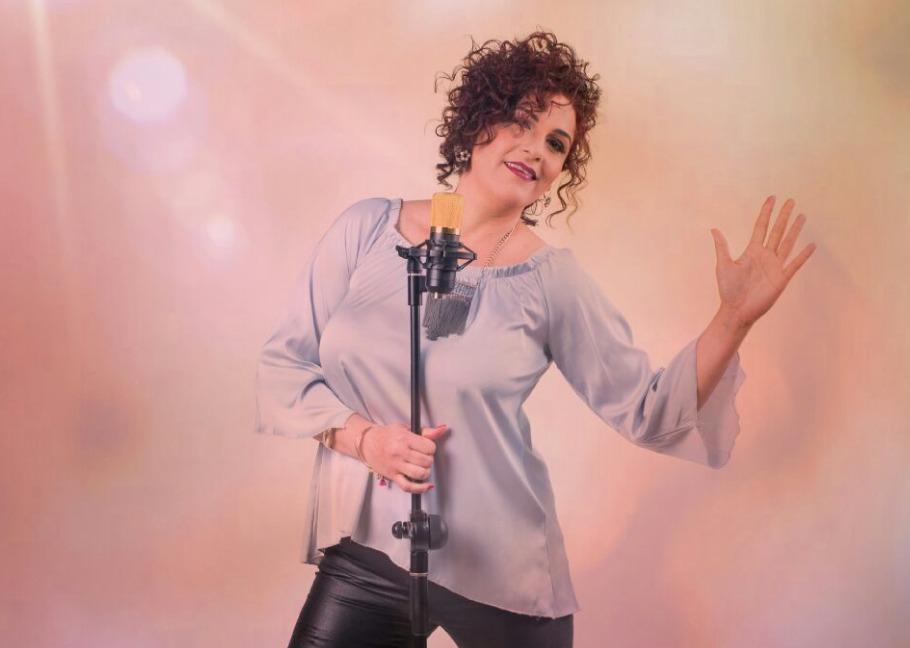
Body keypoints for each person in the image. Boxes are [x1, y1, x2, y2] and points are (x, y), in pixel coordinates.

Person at [254, 30, 815, 648]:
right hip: (373, 552)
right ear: (478, 121)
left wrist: (733, 319)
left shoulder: (551, 280)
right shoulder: (367, 229)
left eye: (556, 144)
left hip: (501, 572)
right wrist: (365, 441)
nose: (537, 151)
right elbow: (284, 367)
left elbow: (649, 411)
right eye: (522, 121)